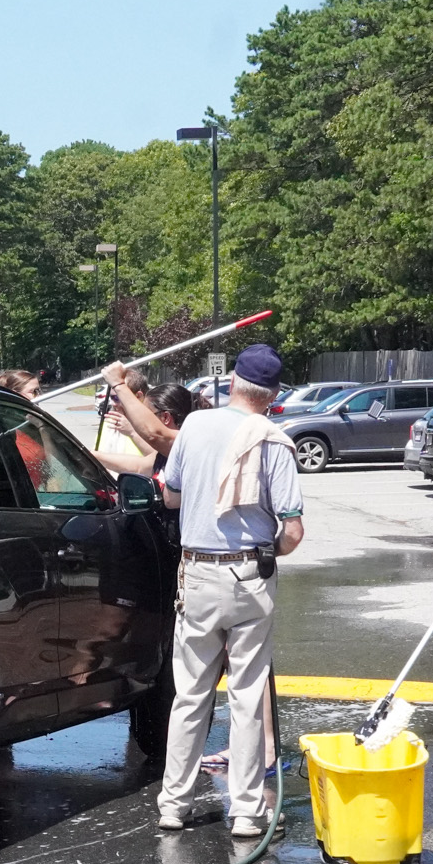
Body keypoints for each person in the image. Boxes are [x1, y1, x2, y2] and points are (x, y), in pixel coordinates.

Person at [153, 344, 305, 837]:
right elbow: (293, 531)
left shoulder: (194, 426)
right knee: (245, 695)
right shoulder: (274, 441)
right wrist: (269, 550)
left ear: (233, 381)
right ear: (274, 395)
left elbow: (171, 494)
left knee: (190, 693)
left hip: (197, 571)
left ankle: (173, 804)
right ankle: (245, 811)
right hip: (249, 576)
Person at [94, 376, 204, 476]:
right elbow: (139, 467)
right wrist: (93, 456)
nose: (143, 419)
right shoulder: (163, 456)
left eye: (148, 415)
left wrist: (118, 383)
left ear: (165, 417)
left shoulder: (185, 446)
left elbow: (154, 436)